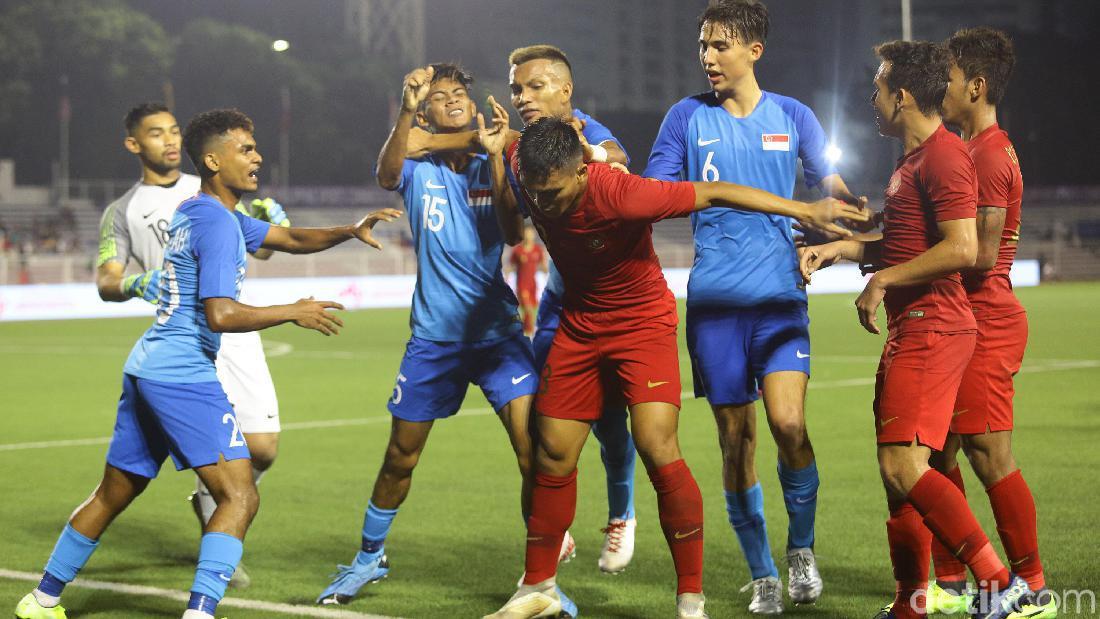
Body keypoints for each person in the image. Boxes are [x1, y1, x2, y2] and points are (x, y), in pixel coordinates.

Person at [14, 107, 399, 619]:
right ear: (214, 160)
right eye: (245, 149)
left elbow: (288, 239)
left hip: (147, 365)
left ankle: (41, 599)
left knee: (113, 492)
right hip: (183, 374)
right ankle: (199, 613)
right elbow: (219, 314)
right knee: (240, 497)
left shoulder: (200, 211)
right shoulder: (218, 224)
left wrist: (350, 229)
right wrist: (293, 311)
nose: (257, 156)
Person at [485, 117, 868, 619]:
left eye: (555, 193)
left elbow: (713, 192)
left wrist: (804, 208)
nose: (547, 205)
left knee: (656, 446)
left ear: (580, 171)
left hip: (640, 323)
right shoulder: (525, 159)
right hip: (580, 323)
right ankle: (538, 588)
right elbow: (512, 143)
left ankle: (690, 599)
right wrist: (496, 146)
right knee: (552, 451)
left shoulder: (622, 194)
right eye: (539, 194)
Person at [643, 2, 867, 612]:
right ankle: (763, 572)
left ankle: (801, 551)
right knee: (735, 439)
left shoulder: (794, 116)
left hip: (778, 298)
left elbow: (831, 188)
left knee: (790, 424)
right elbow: (658, 194)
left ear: (753, 51)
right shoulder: (685, 117)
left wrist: (856, 210)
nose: (707, 56)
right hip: (715, 304)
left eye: (719, 45)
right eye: (703, 45)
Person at [798, 41, 1031, 619]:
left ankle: (999, 581)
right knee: (898, 474)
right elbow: (903, 245)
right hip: (914, 326)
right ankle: (913, 600)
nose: (871, 100)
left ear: (900, 96)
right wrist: (840, 250)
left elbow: (964, 246)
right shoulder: (912, 163)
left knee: (907, 465)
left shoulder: (948, 158)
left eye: (877, 89)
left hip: (935, 325)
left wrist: (880, 281)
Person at [315, 64, 552, 610]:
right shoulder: (418, 170)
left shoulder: (496, 164)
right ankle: (370, 557)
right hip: (435, 340)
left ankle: (539, 572)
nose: (452, 101)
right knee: (401, 456)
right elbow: (385, 170)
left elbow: (516, 234)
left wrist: (495, 155)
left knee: (534, 451)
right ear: (425, 116)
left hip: (497, 335)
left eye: (459, 95)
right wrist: (405, 108)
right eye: (439, 98)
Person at [410, 43, 641, 575]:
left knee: (610, 423)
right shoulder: (518, 147)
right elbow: (514, 229)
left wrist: (590, 155)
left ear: (565, 90)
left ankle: (622, 513)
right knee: (545, 422)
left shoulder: (587, 129)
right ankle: (550, 543)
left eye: (534, 87)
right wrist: (491, 152)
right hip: (562, 303)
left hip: (612, 302)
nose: (523, 97)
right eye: (516, 89)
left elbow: (621, 162)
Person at [92, 102, 291, 588]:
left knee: (264, 448)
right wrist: (140, 283)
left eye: (175, 131)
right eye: (157, 134)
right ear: (134, 145)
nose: (171, 141)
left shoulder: (210, 183)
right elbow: (106, 281)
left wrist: (273, 224)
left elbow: (255, 247)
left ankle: (210, 503)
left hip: (234, 334)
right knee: (205, 474)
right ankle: (220, 536)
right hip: (184, 341)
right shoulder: (120, 212)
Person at [920, 27, 1053, 619]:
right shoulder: (966, 148)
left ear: (974, 87)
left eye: (946, 79)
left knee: (987, 452)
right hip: (957, 319)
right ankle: (950, 582)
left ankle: (1032, 587)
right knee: (939, 454)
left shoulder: (991, 153)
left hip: (985, 317)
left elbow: (977, 253)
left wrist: (908, 252)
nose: (938, 89)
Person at [508, 225, 546, 336]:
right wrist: (504, 274)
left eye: (531, 233)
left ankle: (523, 330)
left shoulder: (538, 249)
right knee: (527, 307)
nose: (529, 236)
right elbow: (510, 266)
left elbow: (544, 267)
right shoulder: (518, 250)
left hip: (533, 285)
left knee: (532, 309)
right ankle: (529, 331)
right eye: (527, 233)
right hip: (522, 285)